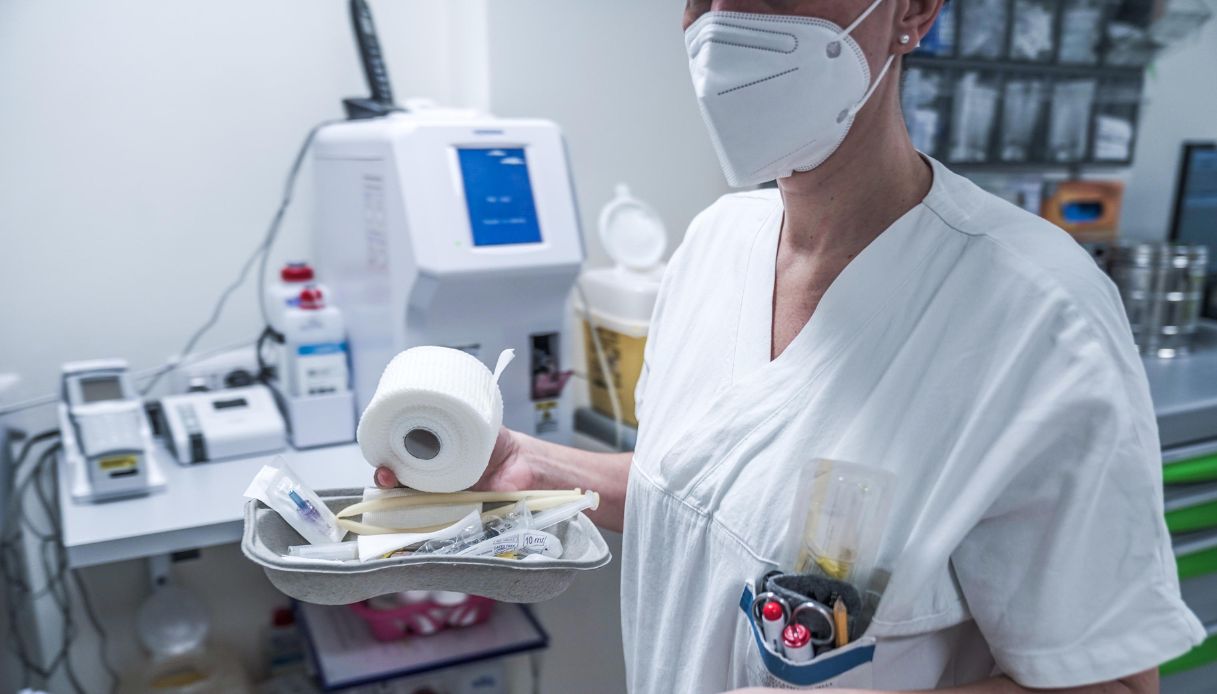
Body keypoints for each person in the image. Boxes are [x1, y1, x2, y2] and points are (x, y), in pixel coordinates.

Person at [377, 1, 1205, 691]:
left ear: (913, 11)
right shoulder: (715, 243)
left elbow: (1111, 684)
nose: (722, 24)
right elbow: (710, 495)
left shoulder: (1036, 315)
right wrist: (530, 467)